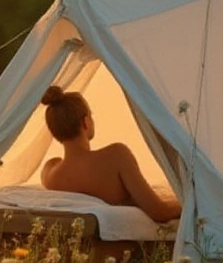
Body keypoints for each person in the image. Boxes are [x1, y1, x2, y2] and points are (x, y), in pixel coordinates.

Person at [39, 85, 182, 223]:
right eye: (91, 115)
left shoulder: (50, 172)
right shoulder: (116, 156)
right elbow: (159, 212)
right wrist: (188, 206)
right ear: (86, 122)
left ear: (54, 131)